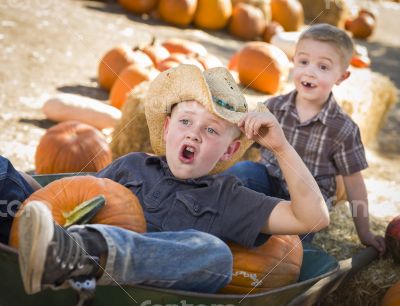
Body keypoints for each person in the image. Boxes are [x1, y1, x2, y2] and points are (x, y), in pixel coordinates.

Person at [16, 64, 329, 296]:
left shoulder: (229, 198)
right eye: (186, 121)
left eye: (211, 130)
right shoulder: (131, 166)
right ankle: (61, 250)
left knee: (216, 255)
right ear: (167, 129)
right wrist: (28, 194)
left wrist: (280, 147)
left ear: (229, 150)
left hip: (147, 289)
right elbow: (73, 198)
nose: (193, 132)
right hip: (66, 263)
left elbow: (312, 217)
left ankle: (84, 251)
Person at [225, 24, 385, 254]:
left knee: (282, 249)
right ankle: (208, 209)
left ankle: (259, 245)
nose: (309, 71)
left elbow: (355, 186)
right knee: (243, 172)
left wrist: (365, 232)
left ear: (342, 76)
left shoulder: (343, 129)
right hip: (267, 183)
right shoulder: (273, 107)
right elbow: (241, 141)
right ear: (293, 62)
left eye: (323, 66)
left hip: (307, 205)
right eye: (303, 61)